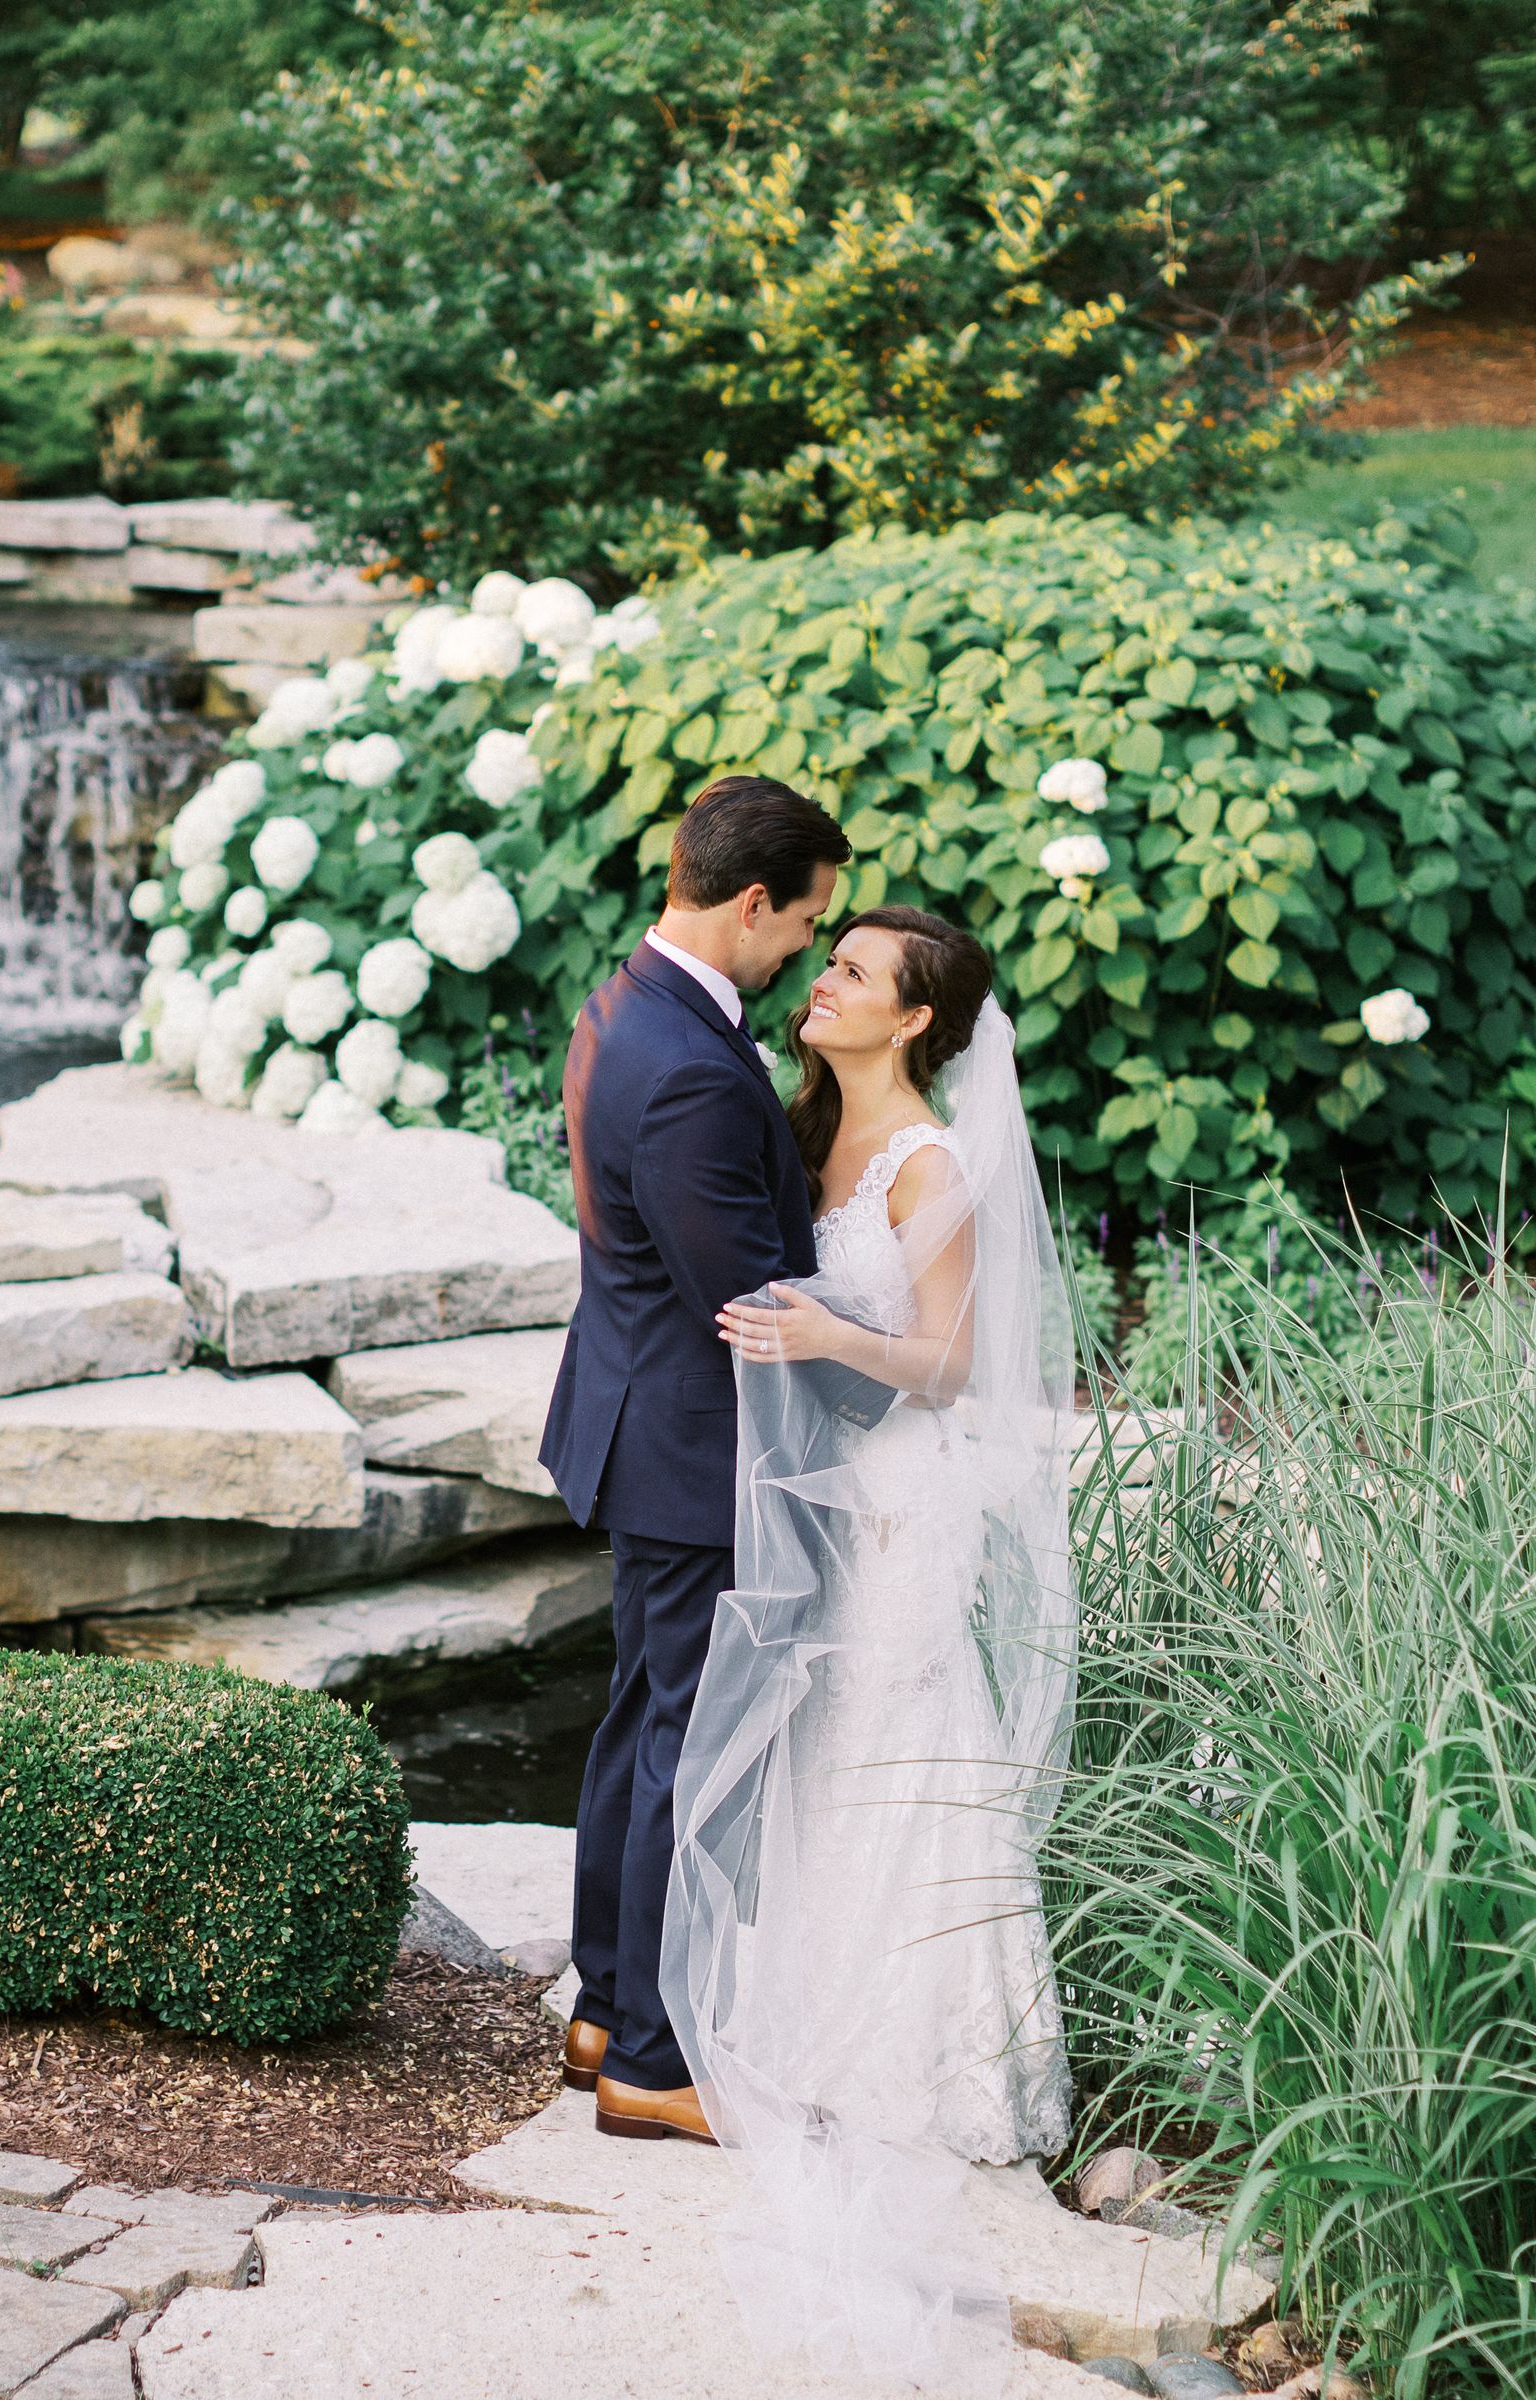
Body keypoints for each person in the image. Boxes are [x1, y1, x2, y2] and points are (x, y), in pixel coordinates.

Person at [678, 904, 1080, 2393]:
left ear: (912, 1020)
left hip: (904, 1506)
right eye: (830, 958)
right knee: (814, 1741)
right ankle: (801, 2012)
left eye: (854, 972)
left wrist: (827, 1338)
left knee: (897, 1744)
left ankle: (928, 2055)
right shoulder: (798, 1132)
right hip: (813, 1501)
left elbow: (950, 1361)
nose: (824, 981)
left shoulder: (930, 1164)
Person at [536, 773, 857, 2145]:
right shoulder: (688, 1072)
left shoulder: (630, 1005)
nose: (802, 950)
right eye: (803, 924)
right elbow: (756, 1300)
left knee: (640, 1723)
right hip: (694, 1445)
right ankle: (656, 2064)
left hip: (636, 1413)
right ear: (748, 901)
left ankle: (606, 2004)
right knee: (687, 1742)